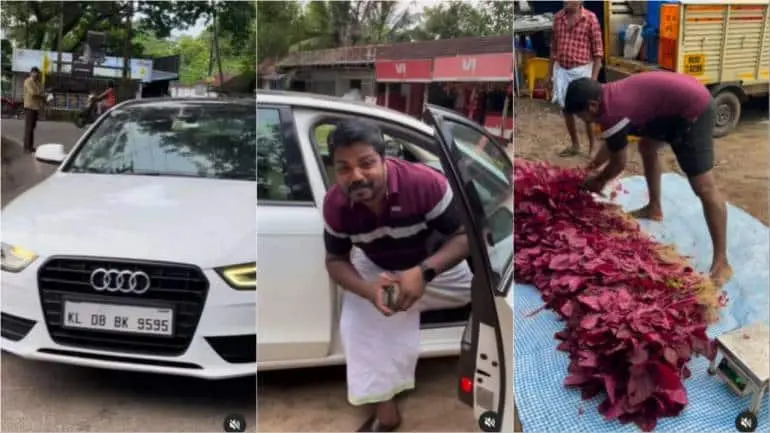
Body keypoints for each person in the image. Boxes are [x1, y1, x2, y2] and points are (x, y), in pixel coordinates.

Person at [322, 119, 472, 432]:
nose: (357, 176)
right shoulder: (335, 205)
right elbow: (335, 260)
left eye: (366, 164)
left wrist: (424, 272)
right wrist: (367, 290)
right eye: (344, 168)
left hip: (433, 263)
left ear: (384, 157)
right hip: (377, 268)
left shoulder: (424, 184)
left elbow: (464, 237)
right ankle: (385, 413)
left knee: (489, 296)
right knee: (357, 325)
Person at [563, 71, 732, 285]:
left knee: (704, 187)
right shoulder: (607, 97)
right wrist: (593, 167)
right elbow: (612, 143)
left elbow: (619, 163)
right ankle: (654, 208)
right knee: (647, 146)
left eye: (580, 116)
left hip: (693, 107)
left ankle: (722, 262)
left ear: (592, 106)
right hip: (670, 105)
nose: (582, 121)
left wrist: (597, 181)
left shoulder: (611, 110)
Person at [546, 0, 603, 157]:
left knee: (588, 112)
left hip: (582, 71)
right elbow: (553, 48)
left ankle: (592, 148)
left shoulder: (590, 18)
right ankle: (575, 145)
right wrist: (549, 74)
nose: (565, 1)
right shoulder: (558, 18)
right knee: (567, 109)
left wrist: (593, 80)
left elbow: (598, 53)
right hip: (562, 70)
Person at [22, 67, 45, 153]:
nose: (36, 74)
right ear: (31, 73)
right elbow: (33, 93)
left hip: (36, 107)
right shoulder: (28, 81)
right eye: (34, 72)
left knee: (32, 128)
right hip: (29, 107)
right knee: (29, 128)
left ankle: (30, 146)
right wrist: (42, 95)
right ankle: (26, 147)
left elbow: (41, 93)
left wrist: (44, 98)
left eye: (37, 73)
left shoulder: (38, 83)